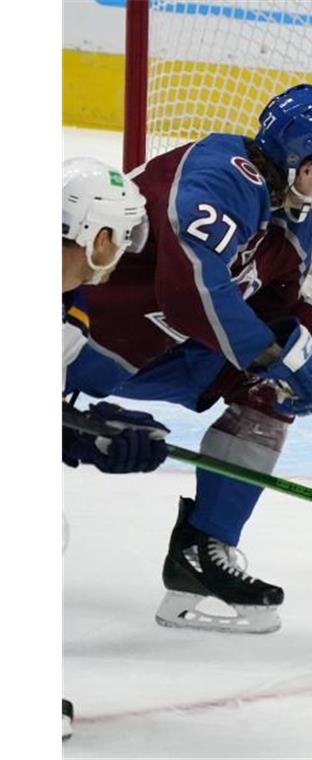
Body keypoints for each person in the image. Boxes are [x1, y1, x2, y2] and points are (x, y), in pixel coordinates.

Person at [65, 84, 312, 635]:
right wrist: (281, 356)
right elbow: (193, 294)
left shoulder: (292, 221)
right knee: (276, 365)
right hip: (77, 341)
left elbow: (279, 305)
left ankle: (202, 556)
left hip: (152, 353)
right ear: (297, 156)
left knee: (268, 391)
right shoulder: (217, 176)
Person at [62, 157, 169, 740]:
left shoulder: (70, 304)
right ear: (95, 235)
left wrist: (93, 432)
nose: (125, 252)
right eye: (122, 237)